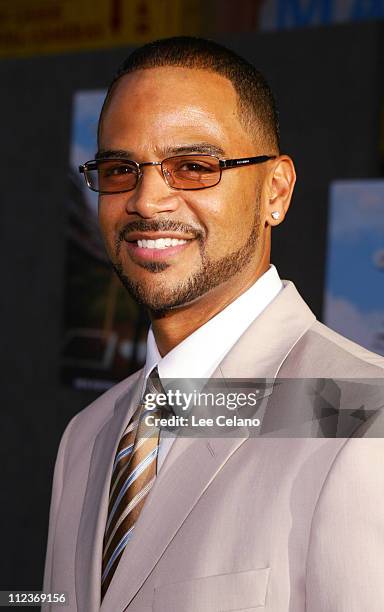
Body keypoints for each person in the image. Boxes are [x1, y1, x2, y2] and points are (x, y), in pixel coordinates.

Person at [43, 37, 384, 611]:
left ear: (275, 191)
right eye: (120, 169)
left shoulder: (361, 417)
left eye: (194, 167)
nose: (149, 200)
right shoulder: (89, 436)